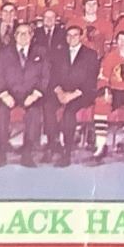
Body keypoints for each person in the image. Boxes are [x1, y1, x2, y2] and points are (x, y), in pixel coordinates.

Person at [0, 21, 48, 167]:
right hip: (9, 93)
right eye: (20, 33)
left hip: (31, 94)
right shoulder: (4, 53)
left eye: (26, 33)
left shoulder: (41, 52)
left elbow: (45, 76)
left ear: (31, 35)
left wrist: (35, 95)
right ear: (14, 36)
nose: (23, 36)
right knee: (1, 112)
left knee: (34, 113)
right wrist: (4, 94)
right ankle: (1, 153)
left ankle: (27, 153)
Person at [45, 24, 100, 165]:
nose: (72, 38)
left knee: (69, 112)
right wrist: (59, 92)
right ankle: (53, 144)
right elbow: (52, 76)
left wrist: (72, 95)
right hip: (61, 91)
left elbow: (91, 80)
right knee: (48, 106)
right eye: (69, 35)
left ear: (81, 37)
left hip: (81, 94)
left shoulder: (91, 54)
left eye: (75, 35)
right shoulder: (58, 53)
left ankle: (67, 151)